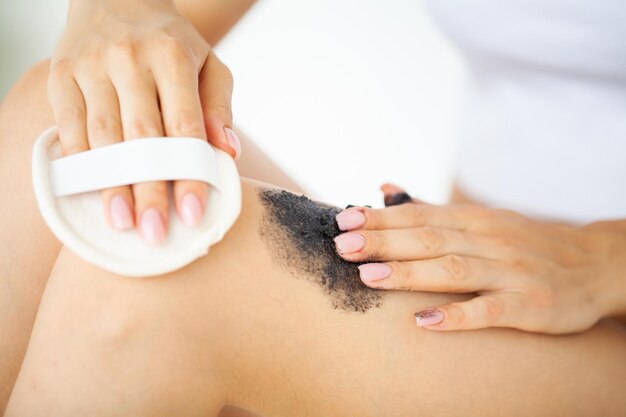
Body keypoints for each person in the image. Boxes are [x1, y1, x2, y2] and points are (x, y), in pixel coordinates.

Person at [2, 59, 626, 417]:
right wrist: (118, 17)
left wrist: (601, 259)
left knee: (153, 280)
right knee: (59, 115)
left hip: (607, 307)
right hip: (479, 258)